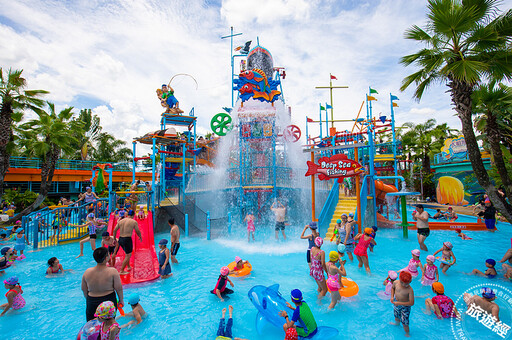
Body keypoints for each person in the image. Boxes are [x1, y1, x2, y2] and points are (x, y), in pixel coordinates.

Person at [81, 247, 124, 321]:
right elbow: (118, 288)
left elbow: (83, 289)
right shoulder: (112, 271)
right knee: (108, 325)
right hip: (108, 301)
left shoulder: (87, 272)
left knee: (92, 326)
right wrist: (121, 300)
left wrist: (88, 300)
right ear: (106, 258)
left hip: (92, 301)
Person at [113, 210, 142, 275]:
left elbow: (114, 230)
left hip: (120, 239)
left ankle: (128, 266)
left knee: (126, 254)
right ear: (133, 215)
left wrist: (114, 239)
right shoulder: (133, 222)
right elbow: (137, 230)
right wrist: (140, 236)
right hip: (127, 239)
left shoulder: (121, 221)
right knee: (128, 255)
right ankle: (121, 270)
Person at [390, 271, 414, 337]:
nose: (404, 285)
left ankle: (407, 333)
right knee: (396, 315)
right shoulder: (396, 283)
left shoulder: (410, 290)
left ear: (410, 281)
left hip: (405, 307)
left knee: (405, 322)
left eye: (406, 284)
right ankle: (397, 323)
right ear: (399, 279)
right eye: (402, 283)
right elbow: (393, 288)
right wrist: (392, 297)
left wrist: (398, 303)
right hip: (396, 302)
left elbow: (411, 303)